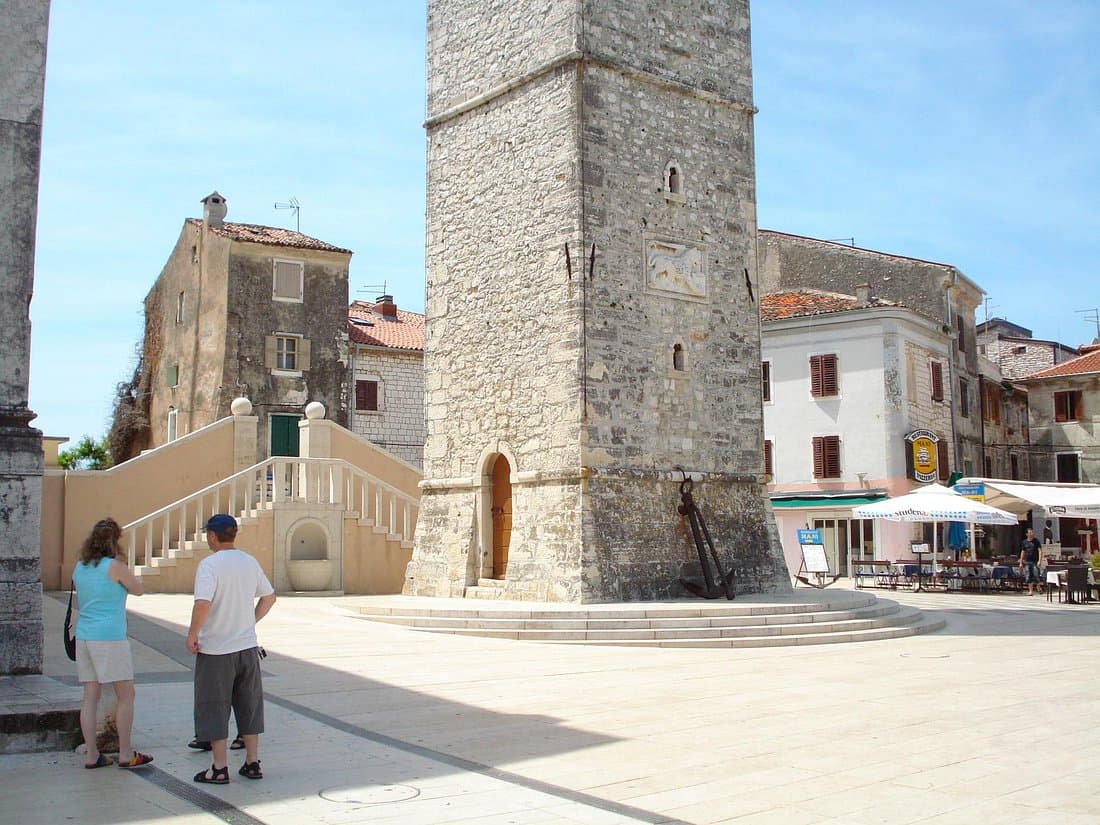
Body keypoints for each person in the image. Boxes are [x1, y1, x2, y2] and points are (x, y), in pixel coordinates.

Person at [187, 514, 276, 784]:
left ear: (213, 536)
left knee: (214, 705)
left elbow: (203, 603)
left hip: (216, 648)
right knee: (249, 705)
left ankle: (219, 767)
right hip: (247, 647)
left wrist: (192, 633)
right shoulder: (249, 562)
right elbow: (269, 597)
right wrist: (250, 620)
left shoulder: (209, 565)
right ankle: (252, 762)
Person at [71, 517, 154, 769]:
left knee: (90, 696)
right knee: (126, 694)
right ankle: (126, 752)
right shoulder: (114, 567)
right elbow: (138, 589)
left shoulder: (79, 567)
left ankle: (92, 754)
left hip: (84, 636)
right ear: (114, 541)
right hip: (110, 637)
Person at [1019, 527, 1043, 595]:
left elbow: (1040, 551)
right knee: (1028, 575)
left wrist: (1039, 561)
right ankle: (1031, 591)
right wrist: (1021, 562)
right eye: (1030, 533)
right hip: (1027, 561)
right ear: (1027, 534)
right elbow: (1022, 552)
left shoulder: (1036, 541)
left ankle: (1038, 587)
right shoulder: (1024, 542)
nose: (1031, 534)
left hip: (1035, 561)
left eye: (1032, 532)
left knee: (1036, 574)